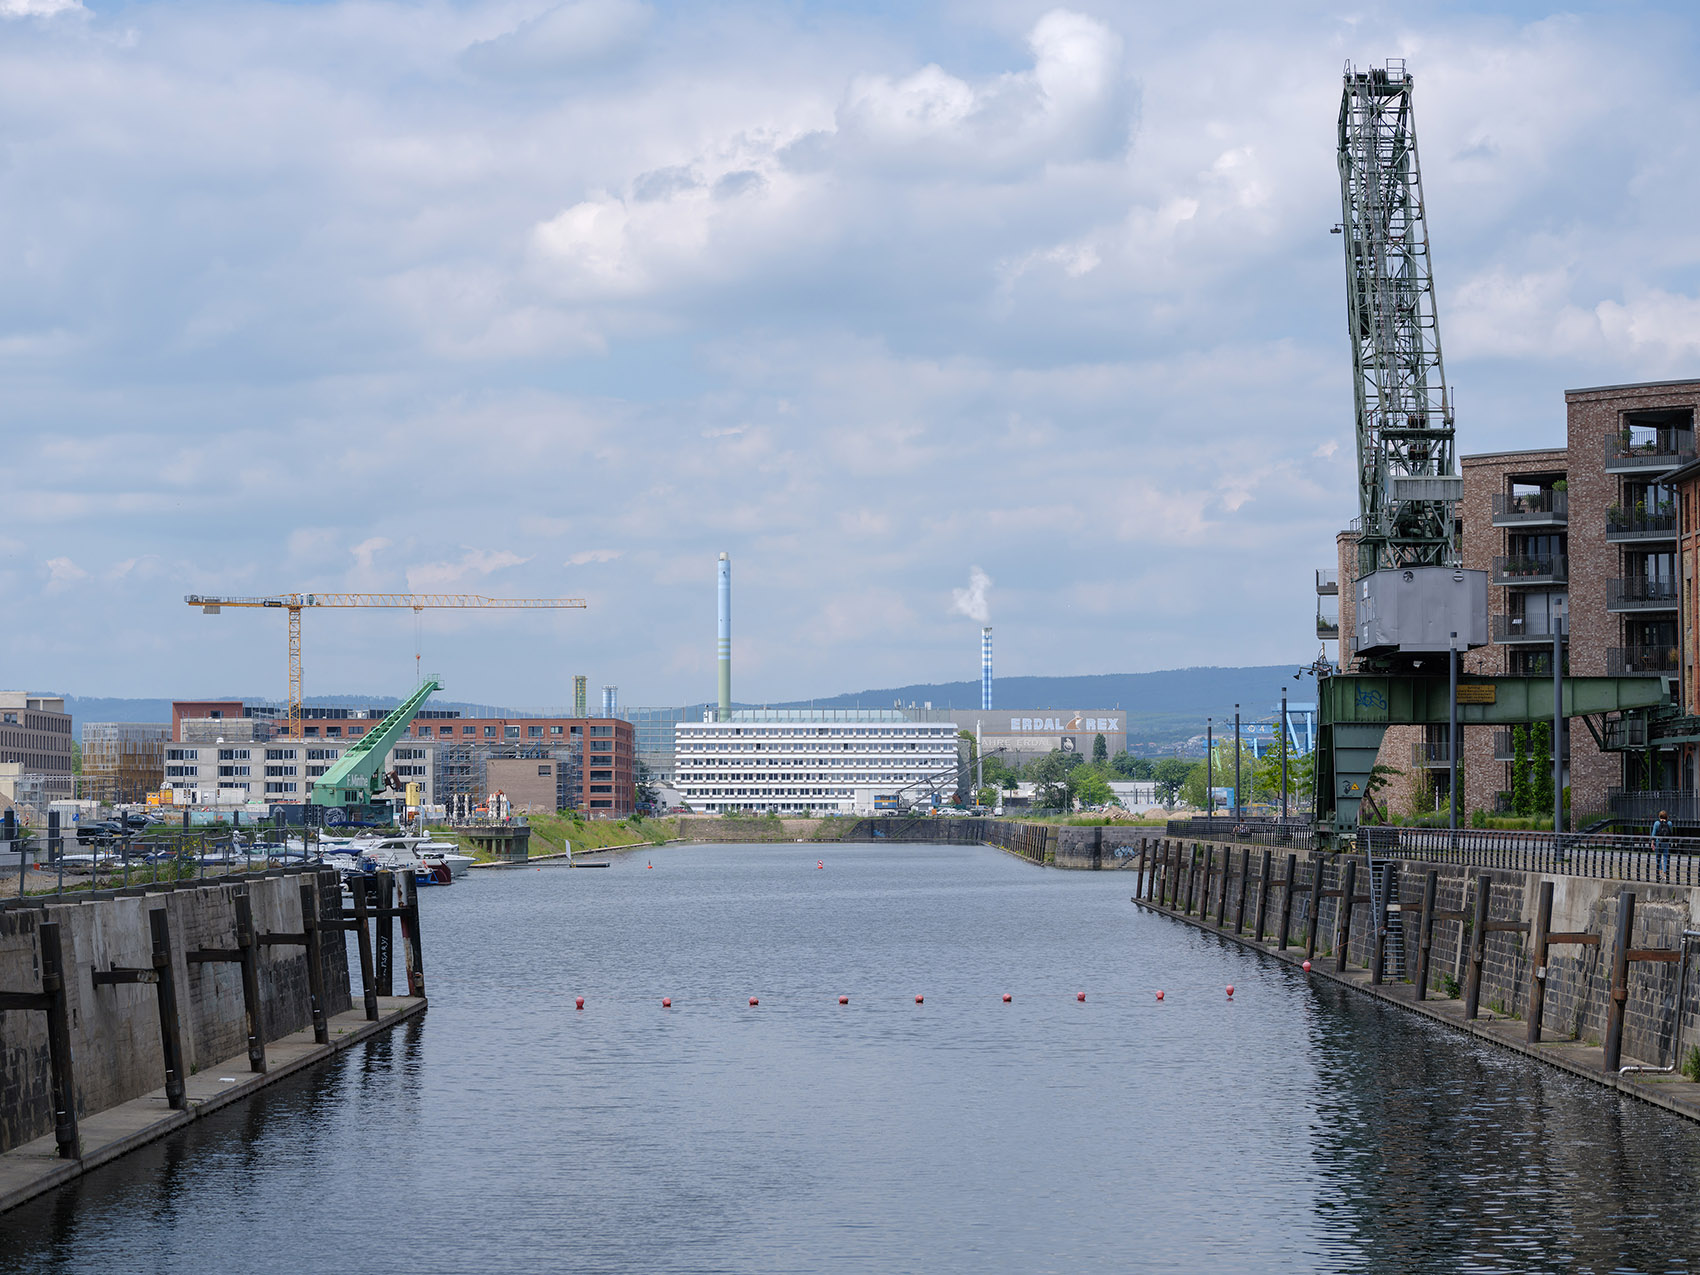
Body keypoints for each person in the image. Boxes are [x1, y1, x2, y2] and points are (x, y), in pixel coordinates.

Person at [1652, 809, 1674, 881]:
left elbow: (1654, 834)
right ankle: (1665, 874)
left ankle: (1659, 873)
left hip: (1658, 842)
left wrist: (1652, 843)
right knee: (1665, 858)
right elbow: (1671, 832)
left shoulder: (1656, 823)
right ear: (1666, 816)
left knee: (1658, 858)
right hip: (1666, 843)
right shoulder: (1669, 823)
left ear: (1659, 816)